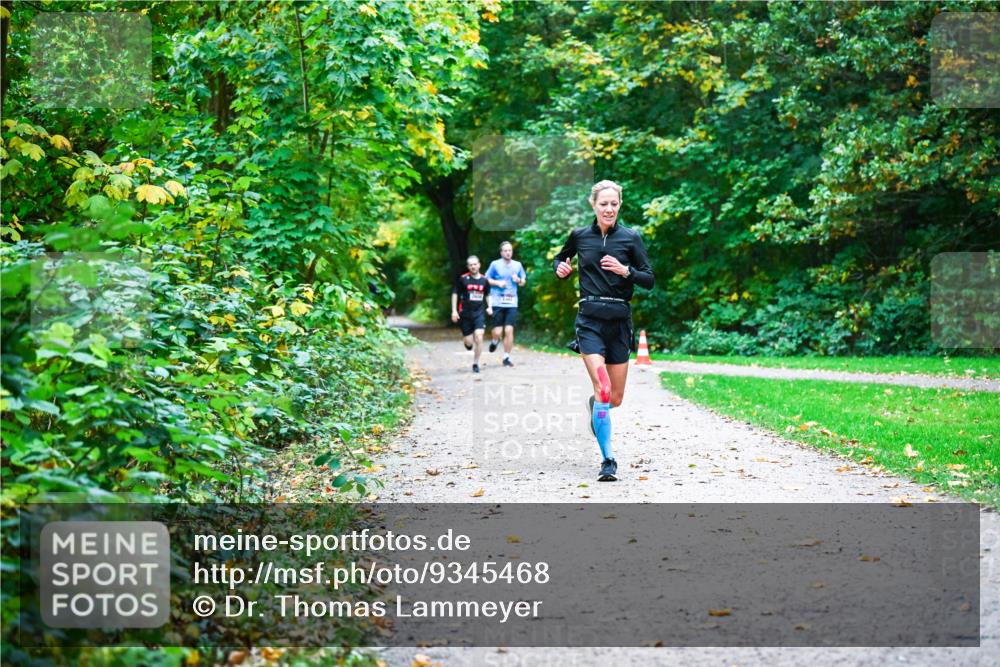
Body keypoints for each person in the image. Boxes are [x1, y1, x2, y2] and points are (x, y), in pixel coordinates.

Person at [553, 180, 654, 481]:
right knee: (604, 389)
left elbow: (649, 279)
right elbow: (561, 258)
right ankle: (608, 460)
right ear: (593, 205)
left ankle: (595, 405)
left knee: (615, 398)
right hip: (590, 321)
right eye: (603, 204)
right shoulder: (580, 236)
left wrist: (626, 271)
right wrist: (560, 268)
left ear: (619, 205)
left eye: (613, 204)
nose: (608, 209)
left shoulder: (631, 238)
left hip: (619, 322)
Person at [485, 241, 527, 367]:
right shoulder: (495, 264)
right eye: (505, 250)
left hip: (512, 302)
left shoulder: (517, 265)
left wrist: (518, 280)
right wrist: (498, 283)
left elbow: (523, 282)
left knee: (509, 330)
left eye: (510, 250)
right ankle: (494, 340)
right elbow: (486, 279)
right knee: (498, 331)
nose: (508, 252)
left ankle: (506, 357)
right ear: (501, 252)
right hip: (497, 300)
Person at [451, 255, 493, 373]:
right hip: (465, 314)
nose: (473, 266)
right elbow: (455, 294)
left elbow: (488, 295)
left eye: (475, 264)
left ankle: (475, 363)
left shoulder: (485, 280)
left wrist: (490, 307)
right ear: (468, 266)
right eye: (471, 265)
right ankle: (468, 344)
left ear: (479, 265)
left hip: (479, 314)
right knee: (469, 342)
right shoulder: (463, 279)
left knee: (479, 337)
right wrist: (454, 311)